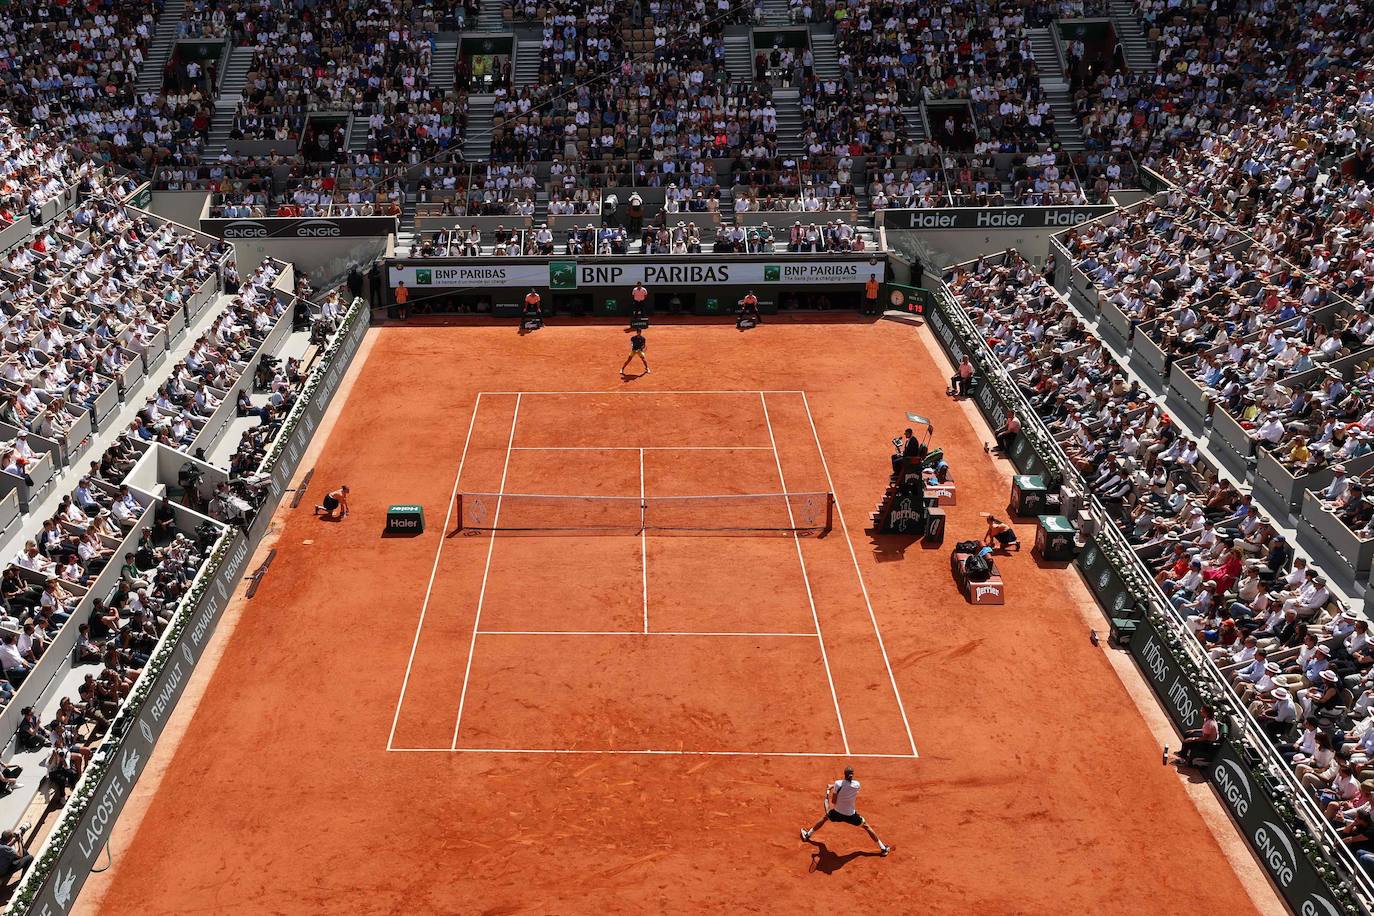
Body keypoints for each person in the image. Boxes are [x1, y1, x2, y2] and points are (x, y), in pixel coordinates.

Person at [800, 767, 891, 856]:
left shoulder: (838, 783)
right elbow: (845, 786)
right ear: (852, 775)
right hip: (851, 815)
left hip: (837, 813)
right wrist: (834, 786)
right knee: (866, 827)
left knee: (824, 818)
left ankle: (808, 835)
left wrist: (828, 790)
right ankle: (883, 848)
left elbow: (833, 801)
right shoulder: (857, 785)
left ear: (844, 774)